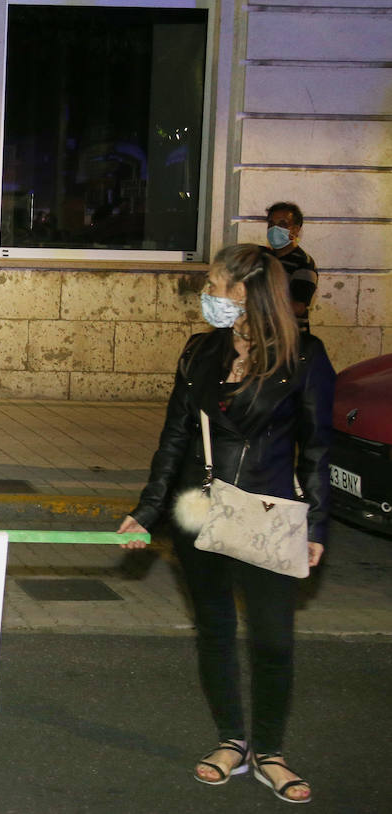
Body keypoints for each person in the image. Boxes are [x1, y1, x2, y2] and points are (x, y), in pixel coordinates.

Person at [116, 243, 334, 804]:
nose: (205, 293)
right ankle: (232, 741)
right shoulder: (199, 352)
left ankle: (271, 752)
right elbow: (174, 439)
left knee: (272, 639)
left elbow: (316, 452)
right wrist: (146, 511)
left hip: (267, 516)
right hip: (199, 510)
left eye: (213, 283)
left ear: (244, 292)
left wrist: (316, 529)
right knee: (214, 629)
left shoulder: (305, 357)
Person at [265, 202, 318, 333]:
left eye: (282, 224)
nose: (274, 229)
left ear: (295, 230)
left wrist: (259, 301)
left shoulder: (304, 264)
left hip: (290, 339)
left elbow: (298, 307)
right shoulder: (264, 258)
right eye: (271, 224)